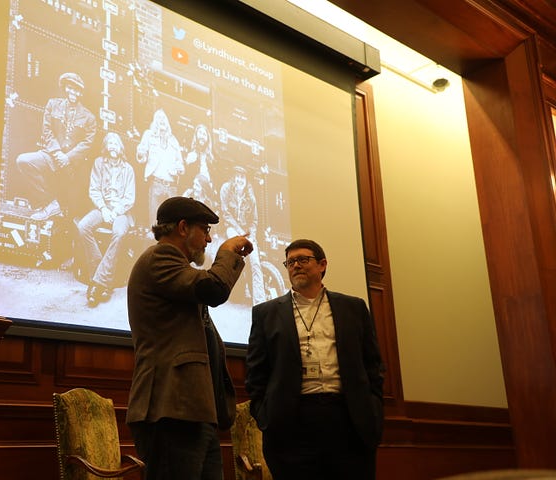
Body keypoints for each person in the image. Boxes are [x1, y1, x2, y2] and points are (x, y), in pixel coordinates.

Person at [126, 196, 254, 480]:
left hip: (192, 409)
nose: (208, 240)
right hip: (170, 408)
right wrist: (227, 252)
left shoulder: (177, 268)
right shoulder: (160, 256)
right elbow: (214, 288)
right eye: (205, 230)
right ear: (183, 228)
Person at [245, 239, 385, 479]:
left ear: (322, 265)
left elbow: (372, 364)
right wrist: (265, 415)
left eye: (303, 259)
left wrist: (372, 408)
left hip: (348, 419)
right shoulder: (266, 313)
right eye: (290, 262)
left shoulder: (353, 308)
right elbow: (256, 373)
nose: (295, 266)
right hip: (292, 423)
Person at [16, 72, 96, 220]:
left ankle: (63, 215)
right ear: (65, 88)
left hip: (72, 165)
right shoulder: (52, 104)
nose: (73, 92)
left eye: (77, 90)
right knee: (23, 161)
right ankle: (49, 203)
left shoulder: (89, 117)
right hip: (51, 155)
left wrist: (68, 157)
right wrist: (57, 152)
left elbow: (87, 143)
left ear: (81, 93)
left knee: (73, 209)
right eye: (70, 88)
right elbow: (47, 131)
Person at [75, 132, 135, 307]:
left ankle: (97, 282)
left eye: (116, 143)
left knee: (119, 233)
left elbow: (130, 198)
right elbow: (94, 190)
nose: (113, 146)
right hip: (102, 208)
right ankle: (101, 278)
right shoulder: (98, 164)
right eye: (109, 143)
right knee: (82, 226)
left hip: (121, 212)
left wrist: (115, 211)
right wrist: (103, 208)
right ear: (106, 147)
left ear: (121, 147)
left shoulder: (128, 169)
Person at [220, 165, 266, 304]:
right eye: (238, 176)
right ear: (234, 178)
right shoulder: (226, 189)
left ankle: (259, 302)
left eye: (242, 177)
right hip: (232, 228)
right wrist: (239, 231)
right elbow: (226, 214)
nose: (240, 180)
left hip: (247, 232)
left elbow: (254, 220)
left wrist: (251, 234)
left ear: (246, 180)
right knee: (234, 254)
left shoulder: (250, 197)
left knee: (255, 262)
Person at [136, 109, 184, 223]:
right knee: (155, 222)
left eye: (163, 118)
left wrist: (179, 168)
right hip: (156, 184)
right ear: (154, 121)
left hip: (171, 187)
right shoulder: (149, 135)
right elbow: (141, 157)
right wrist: (140, 153)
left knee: (171, 223)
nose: (161, 120)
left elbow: (181, 164)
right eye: (158, 117)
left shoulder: (173, 140)